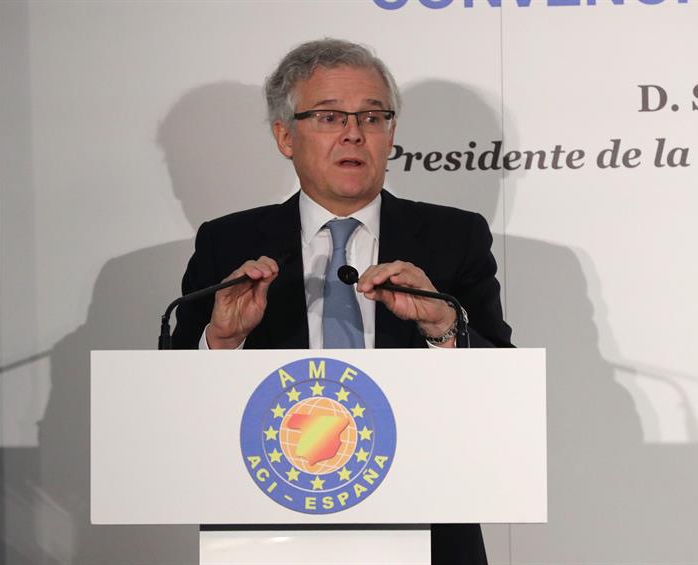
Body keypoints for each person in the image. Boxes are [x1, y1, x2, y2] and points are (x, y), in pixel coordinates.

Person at [173, 38, 512, 564]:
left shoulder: (454, 238)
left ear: (391, 133)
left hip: (426, 524)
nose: (355, 133)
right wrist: (221, 342)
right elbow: (170, 402)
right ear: (285, 136)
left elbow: (505, 391)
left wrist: (445, 329)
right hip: (269, 525)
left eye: (374, 118)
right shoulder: (229, 244)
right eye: (330, 117)